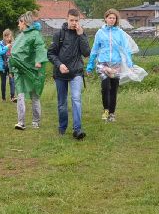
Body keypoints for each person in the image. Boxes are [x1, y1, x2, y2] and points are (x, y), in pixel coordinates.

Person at [47, 8, 90, 139]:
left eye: (76, 20)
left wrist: (81, 35)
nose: (74, 23)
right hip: (60, 73)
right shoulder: (59, 34)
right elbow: (50, 54)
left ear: (79, 21)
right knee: (62, 103)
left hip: (76, 72)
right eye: (72, 20)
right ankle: (62, 127)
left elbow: (86, 53)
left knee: (76, 99)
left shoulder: (81, 34)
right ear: (67, 19)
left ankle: (77, 129)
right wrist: (59, 65)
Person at [86, 9, 134, 123]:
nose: (112, 20)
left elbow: (126, 48)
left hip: (116, 64)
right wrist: (90, 65)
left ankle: (112, 113)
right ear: (106, 19)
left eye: (114, 18)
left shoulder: (120, 33)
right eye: (110, 18)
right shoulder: (100, 32)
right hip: (103, 64)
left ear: (116, 20)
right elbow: (95, 49)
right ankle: (106, 110)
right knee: (105, 87)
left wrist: (129, 61)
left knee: (113, 89)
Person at [9, 11, 48, 130]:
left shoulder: (35, 34)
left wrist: (39, 60)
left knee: (34, 96)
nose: (18, 25)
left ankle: (36, 121)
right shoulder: (20, 36)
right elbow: (14, 53)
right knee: (20, 94)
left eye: (19, 22)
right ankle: (20, 122)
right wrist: (11, 69)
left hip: (31, 71)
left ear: (24, 22)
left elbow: (40, 48)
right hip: (19, 70)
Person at [0, 29, 15, 102]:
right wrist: (6, 47)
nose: (8, 38)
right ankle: (3, 98)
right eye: (6, 37)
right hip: (3, 65)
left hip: (11, 65)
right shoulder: (1, 43)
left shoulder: (14, 43)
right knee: (3, 82)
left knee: (12, 81)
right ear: (4, 37)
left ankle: (12, 97)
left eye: (9, 37)